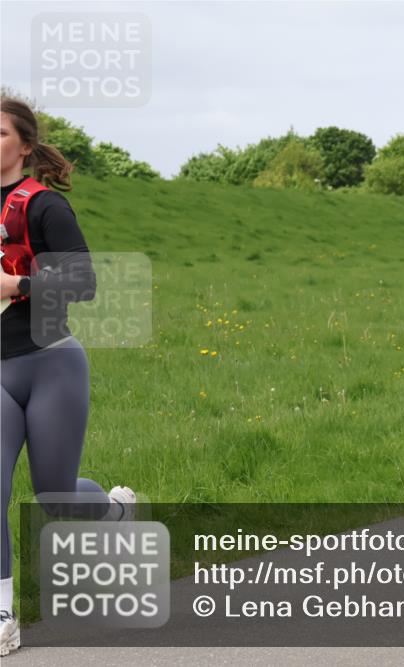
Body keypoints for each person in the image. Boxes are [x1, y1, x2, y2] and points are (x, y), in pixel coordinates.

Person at [0, 98, 136, 657]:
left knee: (54, 495)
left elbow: (83, 282)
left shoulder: (43, 206)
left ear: (24, 147)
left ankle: (115, 510)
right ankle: (4, 614)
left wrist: (17, 287)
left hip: (51, 360)